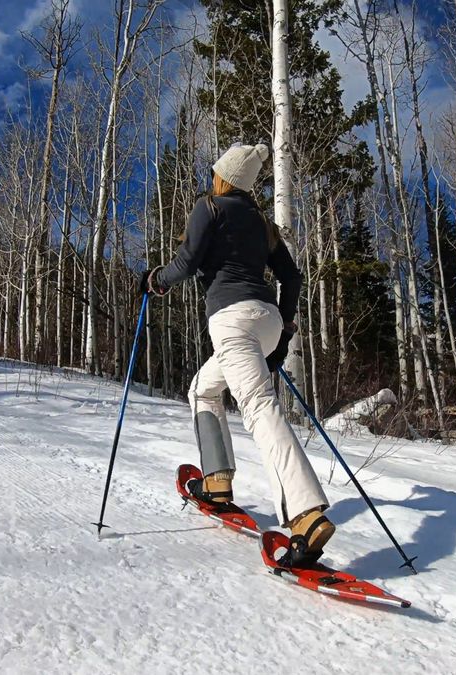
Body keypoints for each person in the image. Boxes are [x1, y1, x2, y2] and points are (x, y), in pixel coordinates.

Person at [141, 143, 334, 566]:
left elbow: (187, 262)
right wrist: (281, 333)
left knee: (259, 407)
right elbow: (292, 277)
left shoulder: (209, 207)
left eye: (215, 172)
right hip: (264, 320)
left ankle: (306, 515)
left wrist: (156, 280)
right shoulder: (263, 223)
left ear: (223, 176)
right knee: (202, 390)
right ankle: (217, 482)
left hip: (232, 320)